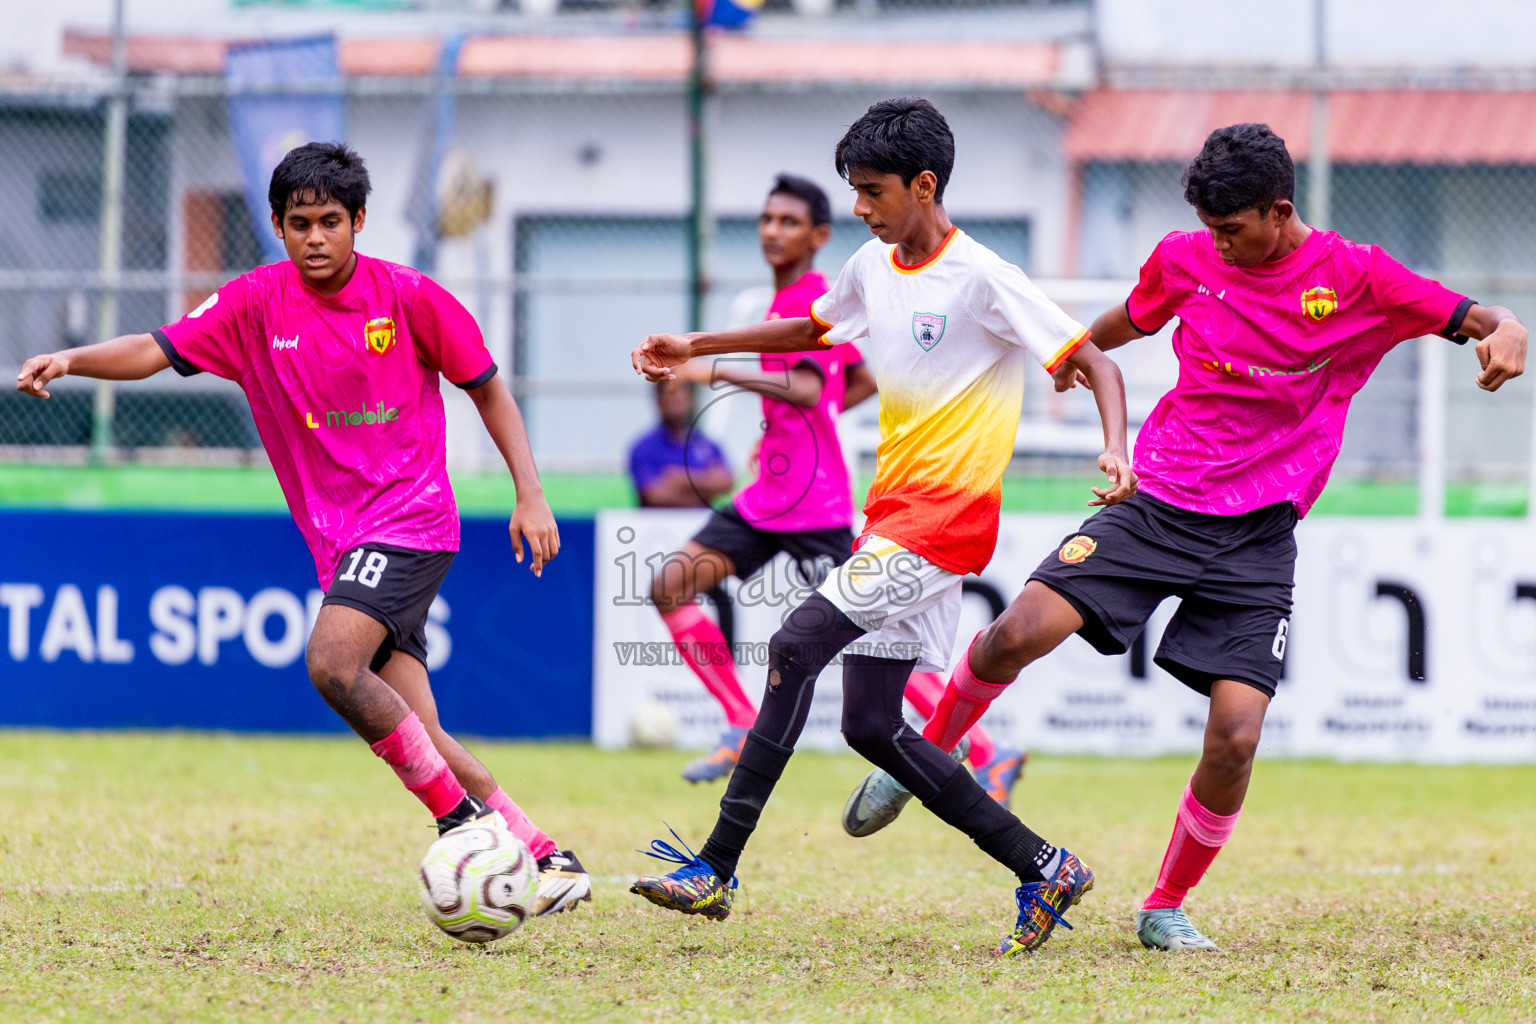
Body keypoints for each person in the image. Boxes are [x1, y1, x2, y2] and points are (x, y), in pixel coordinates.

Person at [898, 122, 1527, 952]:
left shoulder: (1360, 276)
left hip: (1258, 536)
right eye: (1210, 230)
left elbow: (1474, 317)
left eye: (1233, 230)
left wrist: (1507, 326)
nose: (1220, 246)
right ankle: (923, 760)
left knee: (1235, 737)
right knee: (1016, 631)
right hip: (1157, 497)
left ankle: (1163, 905)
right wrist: (1071, 353)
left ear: (1280, 210)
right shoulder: (1187, 256)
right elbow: (1127, 320)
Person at [15, 141, 593, 918]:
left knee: (331, 663)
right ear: (279, 229)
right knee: (419, 726)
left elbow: (488, 389)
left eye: (330, 221)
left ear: (358, 221)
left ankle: (463, 826)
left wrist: (531, 493)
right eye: (299, 223)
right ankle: (548, 857)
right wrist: (71, 357)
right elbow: (154, 349)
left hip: (412, 520)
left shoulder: (412, 298)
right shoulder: (253, 304)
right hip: (344, 542)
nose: (316, 237)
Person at [626, 97, 1136, 956]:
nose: (858, 207)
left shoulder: (983, 276)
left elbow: (1094, 359)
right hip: (889, 519)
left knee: (793, 644)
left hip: (946, 524)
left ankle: (715, 864)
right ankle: (1043, 865)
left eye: (870, 191)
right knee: (870, 724)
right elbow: (812, 329)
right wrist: (697, 342)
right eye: (853, 191)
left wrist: (1116, 449)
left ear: (924, 185)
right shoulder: (871, 266)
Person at [654, 173, 1025, 801]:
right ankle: (740, 721)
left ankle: (990, 750)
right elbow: (853, 383)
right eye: (768, 219)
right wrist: (788, 429)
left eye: (790, 222)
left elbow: (805, 386)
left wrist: (713, 368)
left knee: (870, 637)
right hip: (767, 496)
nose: (774, 231)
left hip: (813, 504)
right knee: (671, 584)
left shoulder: (817, 296)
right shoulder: (788, 302)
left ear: (820, 236)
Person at [628, 378, 735, 510]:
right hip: (658, 527)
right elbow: (655, 496)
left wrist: (681, 479)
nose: (676, 399)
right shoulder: (643, 448)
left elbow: (726, 482)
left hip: (702, 526)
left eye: (682, 394)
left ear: (692, 399)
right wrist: (705, 490)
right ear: (658, 399)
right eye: (671, 394)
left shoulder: (707, 444)